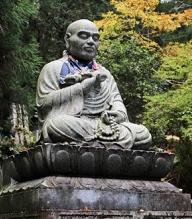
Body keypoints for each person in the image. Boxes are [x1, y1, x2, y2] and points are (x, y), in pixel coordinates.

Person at [36, 19, 151, 149]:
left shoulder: (104, 73)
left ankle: (94, 145)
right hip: (75, 123)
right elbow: (44, 104)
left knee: (143, 134)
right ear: (68, 39)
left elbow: (117, 101)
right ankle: (109, 147)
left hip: (105, 125)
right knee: (56, 125)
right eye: (84, 36)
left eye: (95, 38)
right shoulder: (53, 68)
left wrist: (117, 113)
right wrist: (82, 88)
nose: (91, 41)